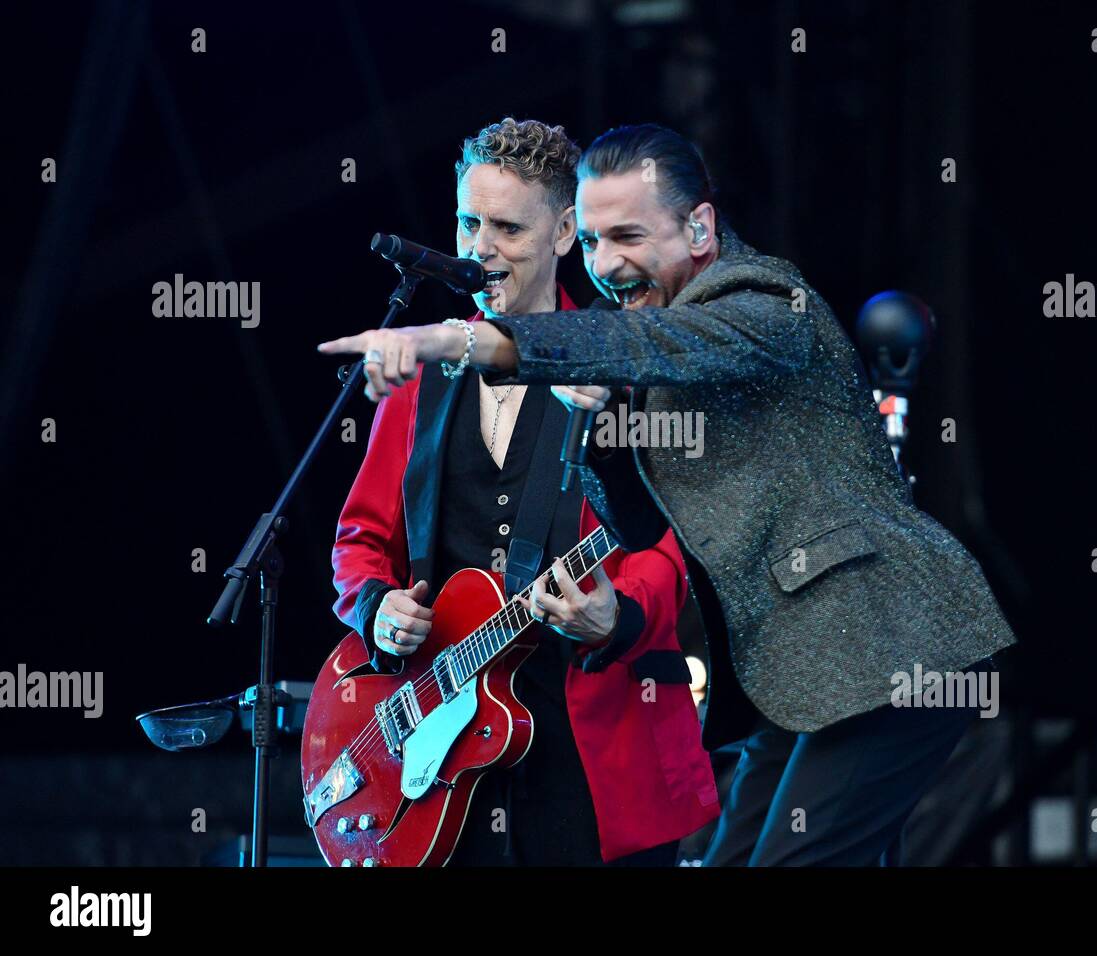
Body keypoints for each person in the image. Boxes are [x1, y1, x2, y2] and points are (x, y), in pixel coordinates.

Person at [320, 123, 1016, 866]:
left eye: (627, 236)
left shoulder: (762, 299)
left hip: (890, 649)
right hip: (801, 680)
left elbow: (652, 346)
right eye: (593, 242)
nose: (607, 264)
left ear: (701, 226)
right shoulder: (645, 348)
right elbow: (641, 519)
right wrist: (610, 426)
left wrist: (454, 342)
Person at [330, 118, 718, 866]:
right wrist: (378, 610)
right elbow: (359, 539)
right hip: (448, 751)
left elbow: (674, 532)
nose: (480, 246)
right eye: (468, 222)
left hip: (593, 743)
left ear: (567, 232)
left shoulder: (629, 360)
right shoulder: (422, 373)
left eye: (508, 226)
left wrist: (619, 612)